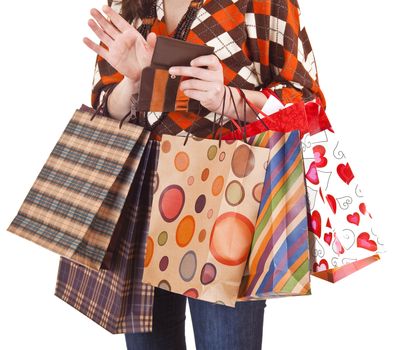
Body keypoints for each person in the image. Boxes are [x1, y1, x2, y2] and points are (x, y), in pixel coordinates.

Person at [82, 0, 327, 349]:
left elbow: (306, 104)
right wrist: (132, 84)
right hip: (142, 203)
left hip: (227, 200)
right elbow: (103, 109)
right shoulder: (128, 4)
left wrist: (226, 97)